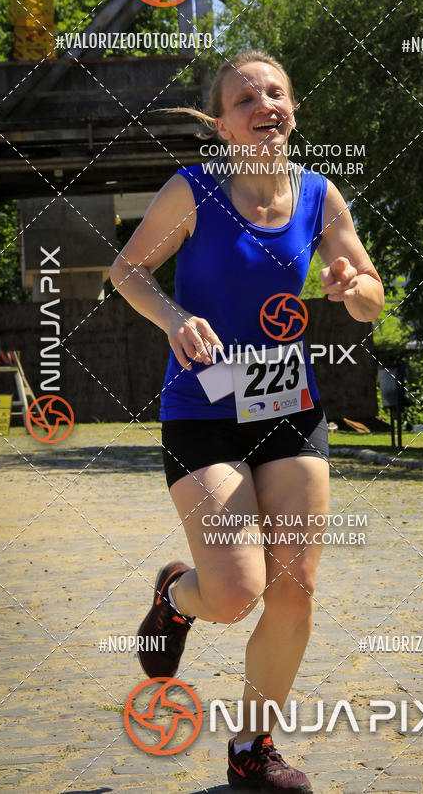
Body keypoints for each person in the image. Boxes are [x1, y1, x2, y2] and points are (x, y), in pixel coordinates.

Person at [110, 50, 384, 792]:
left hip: (287, 407)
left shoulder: (320, 195)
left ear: (293, 110)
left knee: (294, 589)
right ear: (222, 124)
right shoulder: (193, 191)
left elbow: (371, 296)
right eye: (244, 98)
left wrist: (351, 286)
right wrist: (174, 318)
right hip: (202, 409)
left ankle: (251, 748)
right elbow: (127, 270)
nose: (265, 104)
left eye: (277, 93)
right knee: (234, 595)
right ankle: (177, 595)